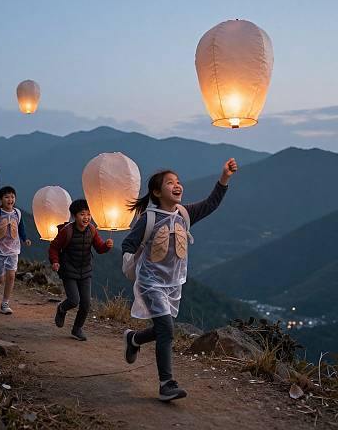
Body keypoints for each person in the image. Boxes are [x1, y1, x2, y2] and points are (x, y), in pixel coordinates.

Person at [121, 158, 238, 402]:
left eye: (178, 182)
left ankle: (134, 338)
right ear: (156, 192)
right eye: (170, 183)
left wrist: (224, 178)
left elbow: (211, 204)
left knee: (164, 328)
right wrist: (130, 264)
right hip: (150, 282)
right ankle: (167, 384)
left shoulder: (184, 214)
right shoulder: (149, 218)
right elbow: (129, 244)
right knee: (166, 328)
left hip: (174, 283)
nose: (177, 185)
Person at [49, 199, 113, 341]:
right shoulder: (67, 231)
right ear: (74, 216)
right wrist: (55, 262)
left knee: (86, 303)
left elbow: (99, 248)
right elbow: (54, 247)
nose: (86, 218)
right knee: (73, 300)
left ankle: (77, 328)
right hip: (68, 270)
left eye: (89, 214)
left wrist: (107, 246)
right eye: (82, 214)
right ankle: (62, 309)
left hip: (85, 270)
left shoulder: (92, 230)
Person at [0, 186, 31, 314]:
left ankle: (5, 303)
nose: (10, 199)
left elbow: (21, 228)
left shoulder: (17, 213)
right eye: (7, 197)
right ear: (1, 199)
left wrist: (25, 239)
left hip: (13, 250)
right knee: (0, 277)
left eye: (12, 197)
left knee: (12, 276)